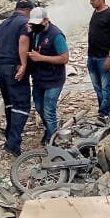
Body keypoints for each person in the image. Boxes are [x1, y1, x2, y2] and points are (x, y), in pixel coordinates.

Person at [0, 0, 34, 156]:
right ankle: (12, 143)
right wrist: (23, 64)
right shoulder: (26, 22)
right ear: (28, 10)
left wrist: (1, 62)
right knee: (22, 104)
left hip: (1, 66)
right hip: (14, 66)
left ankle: (10, 137)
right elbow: (23, 40)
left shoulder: (3, 24)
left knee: (10, 104)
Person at [27, 8, 69, 144]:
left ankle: (53, 140)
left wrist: (41, 58)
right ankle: (51, 130)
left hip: (54, 80)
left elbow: (64, 58)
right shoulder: (35, 32)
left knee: (49, 111)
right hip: (39, 79)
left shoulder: (56, 35)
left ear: (46, 20)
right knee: (39, 107)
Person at [85, 0, 110, 121]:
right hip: (92, 56)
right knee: (97, 86)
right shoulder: (95, 12)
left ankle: (104, 113)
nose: (91, 2)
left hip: (103, 57)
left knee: (106, 87)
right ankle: (102, 110)